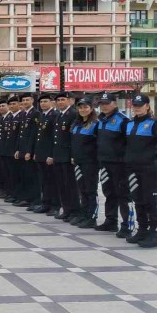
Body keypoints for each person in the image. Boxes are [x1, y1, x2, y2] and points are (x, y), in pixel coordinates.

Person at [123, 94, 157, 248]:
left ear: (147, 106)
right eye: (135, 105)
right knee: (138, 200)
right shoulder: (129, 124)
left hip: (149, 169)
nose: (137, 108)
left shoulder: (154, 122)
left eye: (140, 105)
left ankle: (153, 234)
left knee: (150, 201)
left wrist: (155, 159)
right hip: (132, 169)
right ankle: (142, 230)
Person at [95, 93, 131, 236]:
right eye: (102, 104)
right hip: (104, 163)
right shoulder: (100, 119)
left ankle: (127, 224)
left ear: (115, 104)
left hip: (119, 164)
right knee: (109, 192)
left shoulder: (123, 120)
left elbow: (129, 143)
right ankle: (111, 221)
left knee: (123, 194)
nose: (104, 106)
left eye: (107, 103)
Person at [70, 98, 99, 229]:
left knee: (90, 190)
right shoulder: (77, 124)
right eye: (80, 107)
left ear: (91, 109)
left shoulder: (95, 124)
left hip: (91, 162)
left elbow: (98, 144)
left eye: (85, 107)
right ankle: (84, 214)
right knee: (82, 189)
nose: (83, 110)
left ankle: (92, 217)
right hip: (78, 162)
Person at [52, 92, 79, 221]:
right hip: (58, 155)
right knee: (61, 184)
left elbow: (73, 138)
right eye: (58, 100)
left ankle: (74, 211)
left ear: (70, 101)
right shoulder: (59, 115)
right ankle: (67, 209)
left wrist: (73, 155)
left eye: (63, 99)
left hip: (68, 156)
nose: (60, 102)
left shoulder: (73, 114)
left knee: (70, 185)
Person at [32, 94, 58, 215]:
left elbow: (54, 138)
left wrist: (51, 155)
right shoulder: (42, 115)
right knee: (44, 181)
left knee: (52, 181)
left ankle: (55, 205)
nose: (43, 104)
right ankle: (45, 203)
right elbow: (39, 136)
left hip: (49, 155)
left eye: (45, 101)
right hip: (40, 153)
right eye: (41, 101)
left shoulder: (54, 116)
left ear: (52, 102)